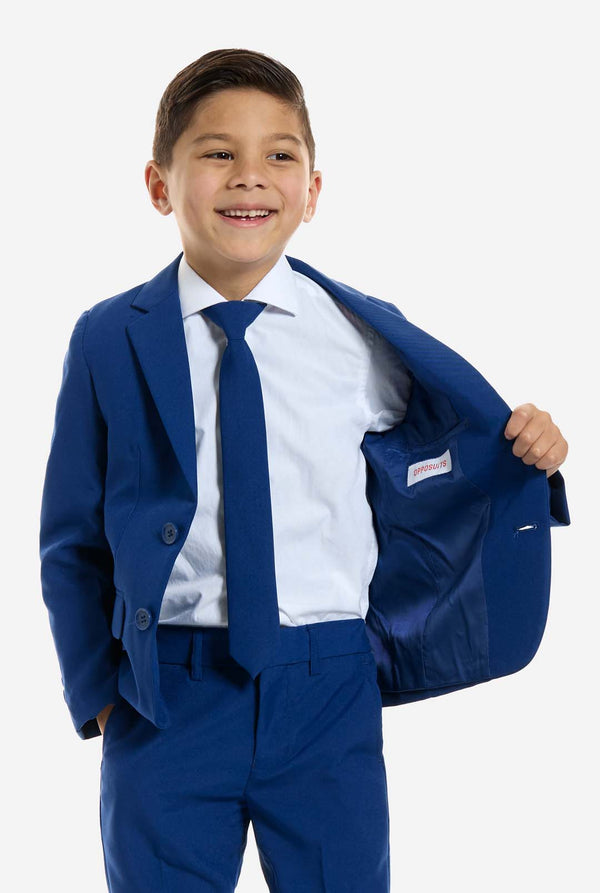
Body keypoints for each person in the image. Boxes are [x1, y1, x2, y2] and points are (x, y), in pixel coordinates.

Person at [39, 48, 570, 892]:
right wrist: (99, 696)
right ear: (159, 185)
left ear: (313, 190)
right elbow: (69, 536)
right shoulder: (109, 337)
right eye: (218, 152)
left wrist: (528, 448)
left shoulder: (358, 334)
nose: (249, 176)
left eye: (279, 154)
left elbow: (453, 449)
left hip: (327, 688)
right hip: (167, 694)